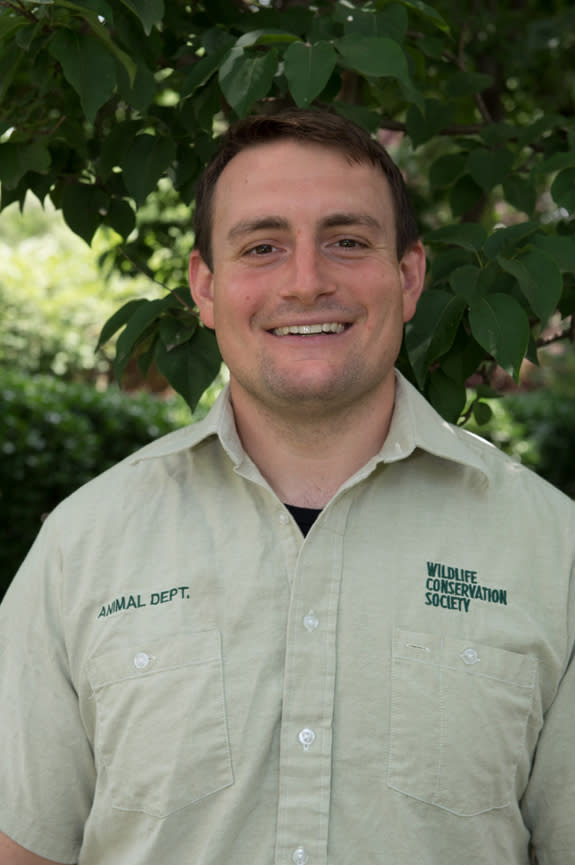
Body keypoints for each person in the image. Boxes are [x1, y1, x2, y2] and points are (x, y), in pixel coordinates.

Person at [0, 109, 573, 865]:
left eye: (346, 241)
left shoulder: (549, 548)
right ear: (205, 287)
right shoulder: (83, 546)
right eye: (262, 247)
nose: (306, 282)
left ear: (407, 277)